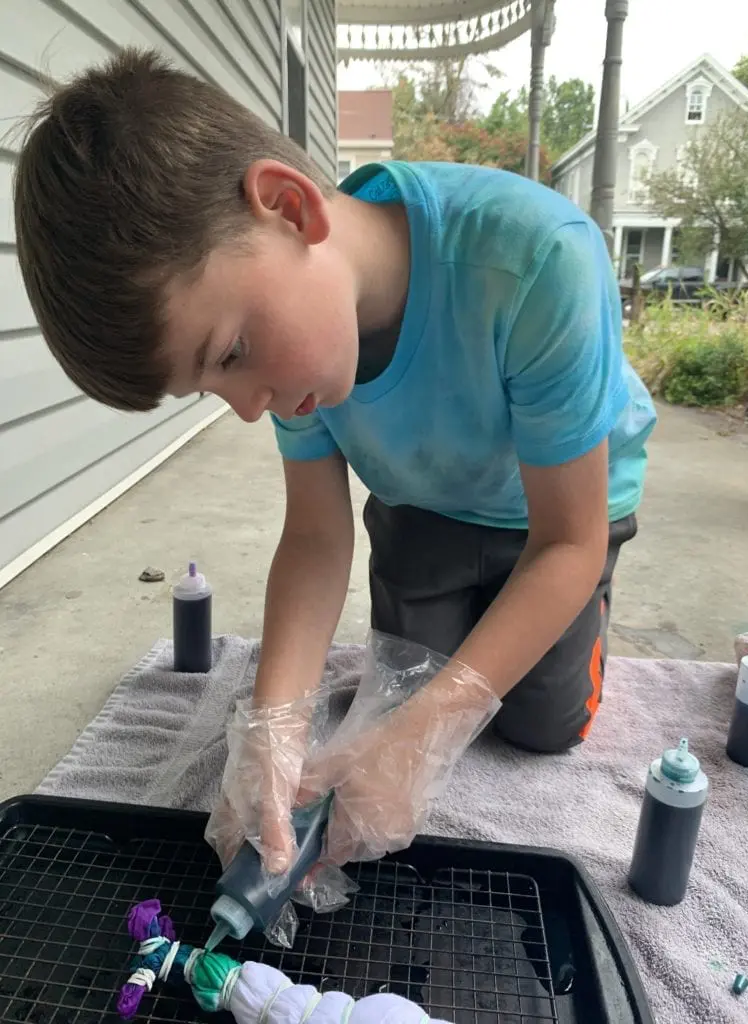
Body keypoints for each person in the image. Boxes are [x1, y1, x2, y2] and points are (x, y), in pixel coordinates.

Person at [13, 49, 657, 876]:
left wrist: (429, 727)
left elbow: (568, 540)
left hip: (561, 512)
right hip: (422, 505)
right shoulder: (296, 361)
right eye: (210, 389)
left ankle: (584, 622)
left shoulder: (536, 258)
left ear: (289, 207)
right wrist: (271, 730)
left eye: (232, 352)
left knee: (535, 725)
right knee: (392, 693)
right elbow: (317, 539)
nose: (249, 405)